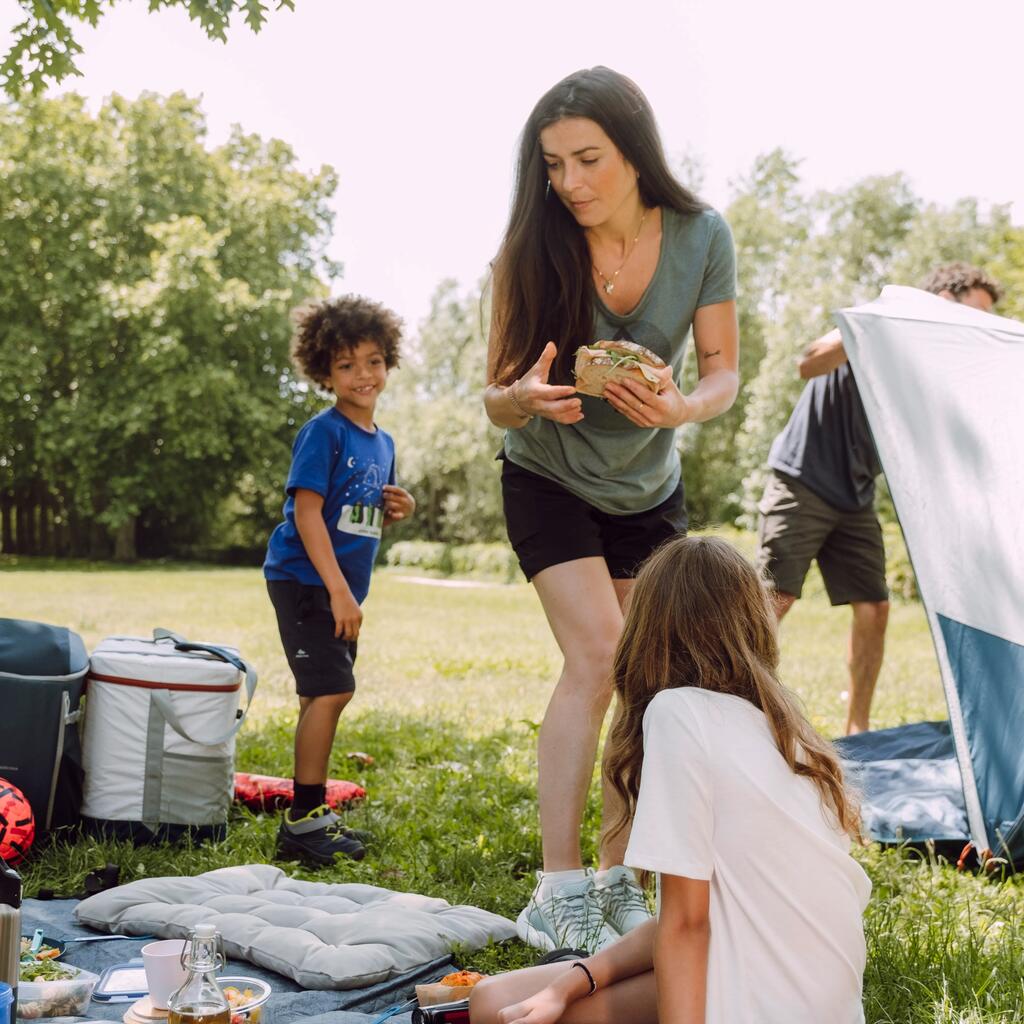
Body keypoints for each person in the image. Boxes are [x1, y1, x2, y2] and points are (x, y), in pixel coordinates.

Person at [484, 66, 739, 952]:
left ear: (634, 151)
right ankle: (555, 890)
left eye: (587, 159)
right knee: (597, 654)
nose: (570, 183)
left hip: (647, 486)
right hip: (547, 473)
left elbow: (723, 375)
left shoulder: (703, 235)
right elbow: (494, 398)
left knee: (647, 679)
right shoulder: (531, 247)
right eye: (553, 165)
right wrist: (526, 397)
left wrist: (681, 410)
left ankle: (616, 879)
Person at [470, 536, 871, 1024]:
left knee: (494, 1011)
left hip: (755, 996)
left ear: (646, 631)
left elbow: (687, 924)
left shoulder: (679, 714)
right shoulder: (789, 732)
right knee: (495, 1000)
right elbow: (691, 919)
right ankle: (568, 971)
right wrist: (575, 980)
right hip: (818, 1000)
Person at [757, 262, 1001, 735]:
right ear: (944, 299)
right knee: (775, 599)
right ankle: (742, 712)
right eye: (976, 313)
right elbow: (808, 363)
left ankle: (857, 729)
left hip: (855, 495)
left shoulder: (934, 369)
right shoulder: (875, 318)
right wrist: (877, 328)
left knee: (875, 607)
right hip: (802, 477)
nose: (980, 326)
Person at [264, 295, 416, 864]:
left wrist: (400, 505)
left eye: (373, 362)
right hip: (307, 581)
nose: (363, 375)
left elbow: (361, 509)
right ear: (324, 371)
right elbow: (307, 513)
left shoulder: (383, 441)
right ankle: (304, 821)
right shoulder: (322, 432)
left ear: (388, 362)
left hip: (334, 586)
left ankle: (308, 815)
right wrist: (338, 591)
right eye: (347, 365)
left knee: (319, 693)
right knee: (333, 690)